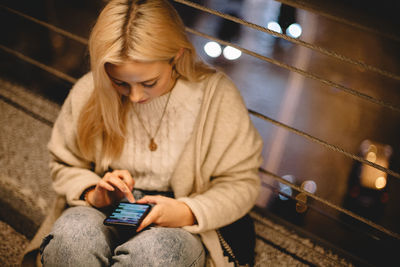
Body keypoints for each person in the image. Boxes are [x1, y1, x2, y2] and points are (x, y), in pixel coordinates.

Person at [22, 0, 263, 266]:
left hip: (178, 218)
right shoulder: (90, 90)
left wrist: (186, 211)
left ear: (177, 57)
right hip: (104, 209)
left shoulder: (216, 97)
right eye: (120, 83)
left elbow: (243, 183)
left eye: (149, 82)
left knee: (154, 257)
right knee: (71, 241)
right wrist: (94, 192)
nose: (135, 97)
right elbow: (64, 164)